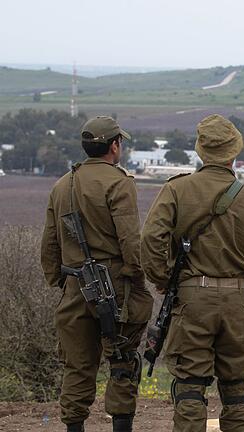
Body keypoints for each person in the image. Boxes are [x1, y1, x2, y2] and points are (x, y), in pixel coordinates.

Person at [140, 114, 244, 432]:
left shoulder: (176, 190)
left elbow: (150, 241)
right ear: (234, 153)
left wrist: (165, 280)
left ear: (200, 150)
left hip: (192, 300)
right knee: (236, 390)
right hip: (237, 302)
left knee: (189, 387)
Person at [40, 116, 153, 432]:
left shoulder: (62, 184)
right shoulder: (119, 182)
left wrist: (60, 280)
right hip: (114, 286)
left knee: (76, 366)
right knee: (121, 362)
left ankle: (74, 427)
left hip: (75, 285)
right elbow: (130, 240)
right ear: (114, 145)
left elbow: (49, 244)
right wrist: (135, 276)